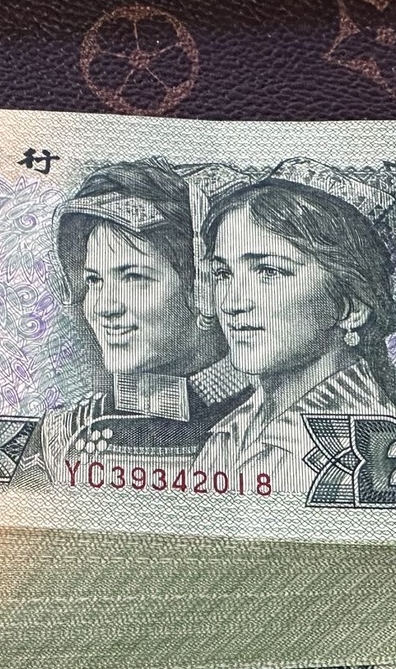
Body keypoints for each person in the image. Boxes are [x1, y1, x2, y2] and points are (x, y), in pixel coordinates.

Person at [13, 159, 250, 488]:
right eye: (94, 280)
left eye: (134, 277)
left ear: (203, 287)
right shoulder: (63, 434)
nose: (104, 307)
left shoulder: (276, 425)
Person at [193, 176, 396, 492]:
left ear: (352, 307)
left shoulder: (365, 449)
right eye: (223, 273)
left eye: (269, 271)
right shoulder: (232, 430)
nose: (231, 303)